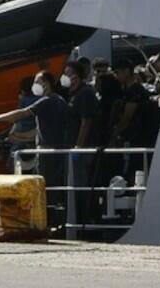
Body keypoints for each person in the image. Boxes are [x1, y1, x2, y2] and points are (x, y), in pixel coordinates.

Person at [0, 71, 70, 228]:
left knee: (45, 189)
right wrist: (22, 137)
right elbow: (44, 129)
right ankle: (58, 223)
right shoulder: (61, 101)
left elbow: (22, 114)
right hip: (59, 150)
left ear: (46, 83)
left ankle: (45, 224)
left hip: (47, 153)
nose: (35, 86)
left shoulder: (46, 101)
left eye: (37, 81)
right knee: (56, 188)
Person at [60, 60, 101, 224]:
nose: (66, 76)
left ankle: (83, 220)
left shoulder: (85, 93)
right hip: (70, 147)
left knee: (80, 185)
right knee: (72, 186)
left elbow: (86, 122)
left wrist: (79, 146)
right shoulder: (72, 94)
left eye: (68, 73)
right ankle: (74, 219)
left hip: (82, 150)